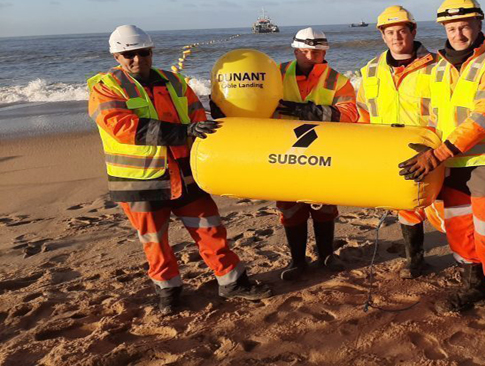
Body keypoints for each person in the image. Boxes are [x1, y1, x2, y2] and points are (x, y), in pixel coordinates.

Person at [88, 25, 271, 314]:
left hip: (185, 171)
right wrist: (183, 131)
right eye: (129, 55)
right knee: (154, 241)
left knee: (210, 228)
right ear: (116, 56)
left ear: (151, 52)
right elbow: (123, 127)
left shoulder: (174, 81)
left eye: (143, 53)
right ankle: (168, 291)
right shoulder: (105, 87)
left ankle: (232, 282)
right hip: (139, 180)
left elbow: (197, 116)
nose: (137, 60)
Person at [398, 0, 485, 336]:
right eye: (451, 27)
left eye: (465, 26)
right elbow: (429, 115)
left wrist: (436, 155)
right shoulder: (437, 67)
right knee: (458, 231)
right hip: (451, 162)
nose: (458, 33)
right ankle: (474, 287)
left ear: (479, 24)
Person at [356, 5, 437, 279]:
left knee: (442, 210)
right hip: (390, 148)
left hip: (430, 148)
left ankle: (469, 261)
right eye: (389, 32)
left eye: (401, 31)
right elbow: (363, 111)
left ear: (413, 31)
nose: (396, 37)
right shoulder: (370, 70)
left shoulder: (437, 66)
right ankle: (415, 261)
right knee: (406, 205)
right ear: (382, 35)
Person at [273, 27, 359, 280]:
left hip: (323, 152)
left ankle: (326, 256)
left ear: (325, 52)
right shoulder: (275, 74)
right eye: (305, 51)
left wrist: (309, 111)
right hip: (284, 152)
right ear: (295, 50)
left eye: (317, 52)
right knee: (290, 208)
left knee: (324, 206)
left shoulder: (337, 80)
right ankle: (297, 261)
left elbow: (350, 114)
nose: (311, 56)